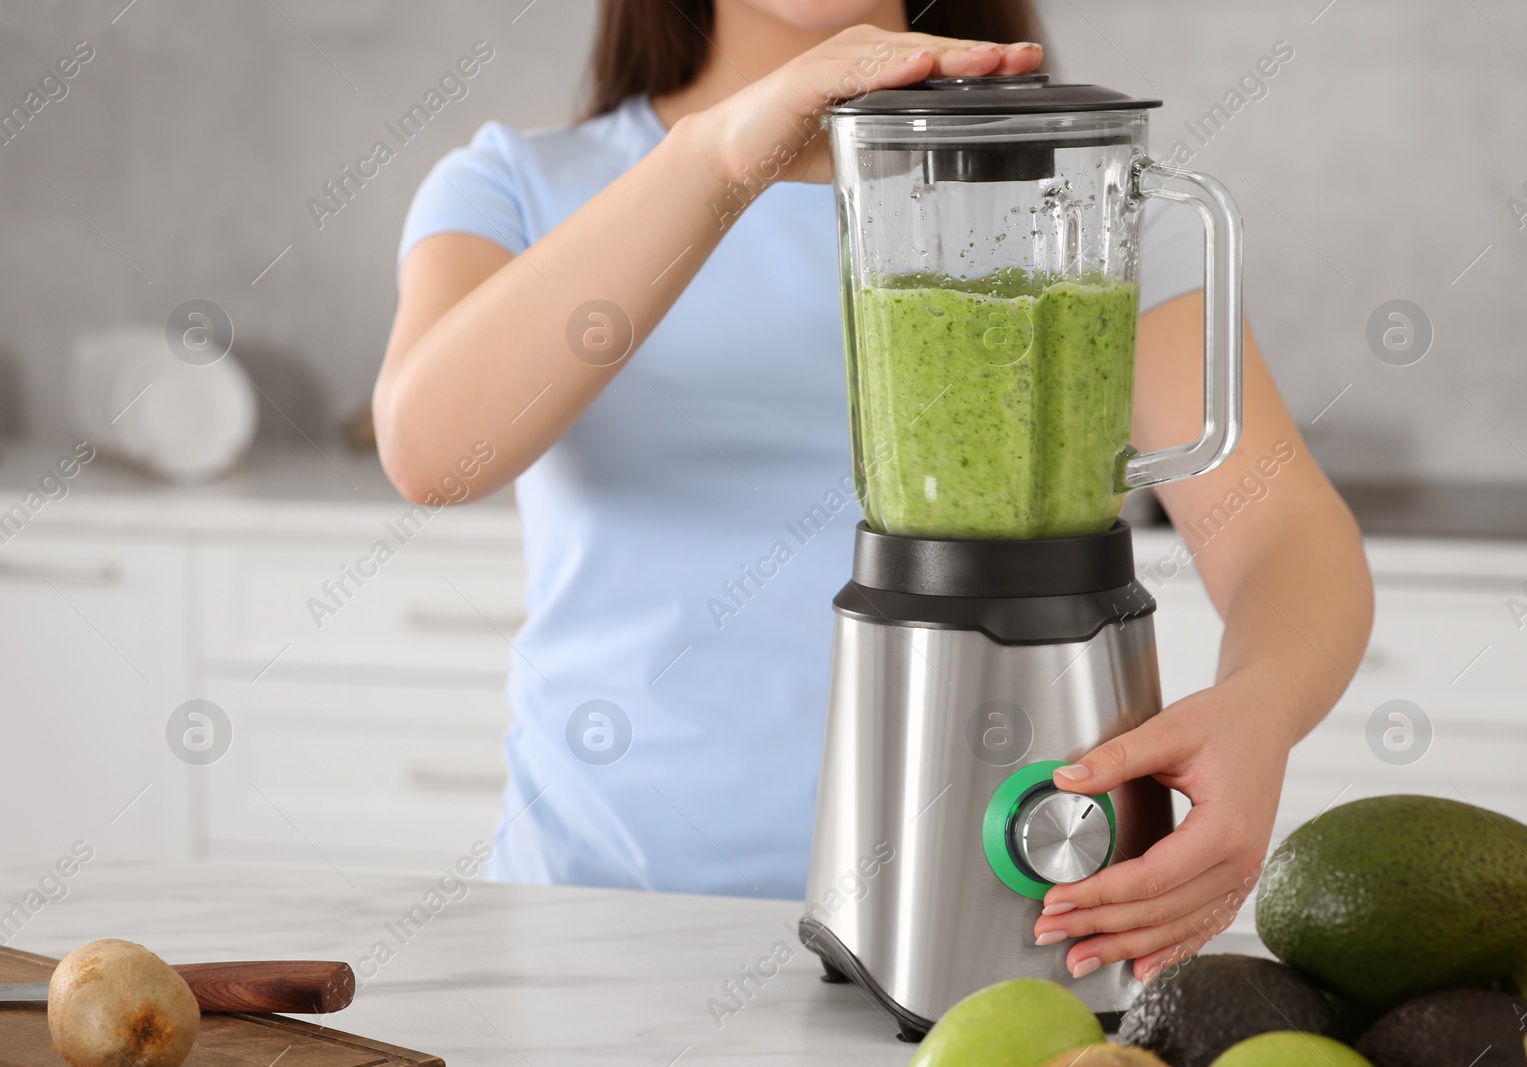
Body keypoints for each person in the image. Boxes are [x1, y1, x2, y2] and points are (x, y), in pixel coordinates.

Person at [373, 0, 1373, 985]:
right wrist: (721, 159)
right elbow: (433, 452)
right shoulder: (517, 184)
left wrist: (1260, 709)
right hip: (591, 926)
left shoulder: (1066, 190)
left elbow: (1277, 521)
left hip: (1011, 932)